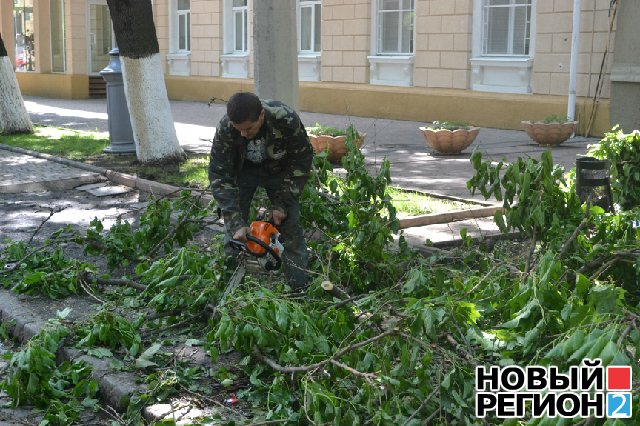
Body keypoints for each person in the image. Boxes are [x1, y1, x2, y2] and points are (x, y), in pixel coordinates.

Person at [209, 92, 313, 291]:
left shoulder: (285, 119)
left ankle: (299, 289)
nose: (243, 135)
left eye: (249, 129)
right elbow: (219, 174)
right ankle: (229, 288)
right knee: (233, 234)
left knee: (290, 228)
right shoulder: (226, 127)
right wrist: (236, 222)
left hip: (279, 170)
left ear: (261, 116)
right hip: (242, 171)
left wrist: (282, 202)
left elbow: (302, 160)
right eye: (239, 130)